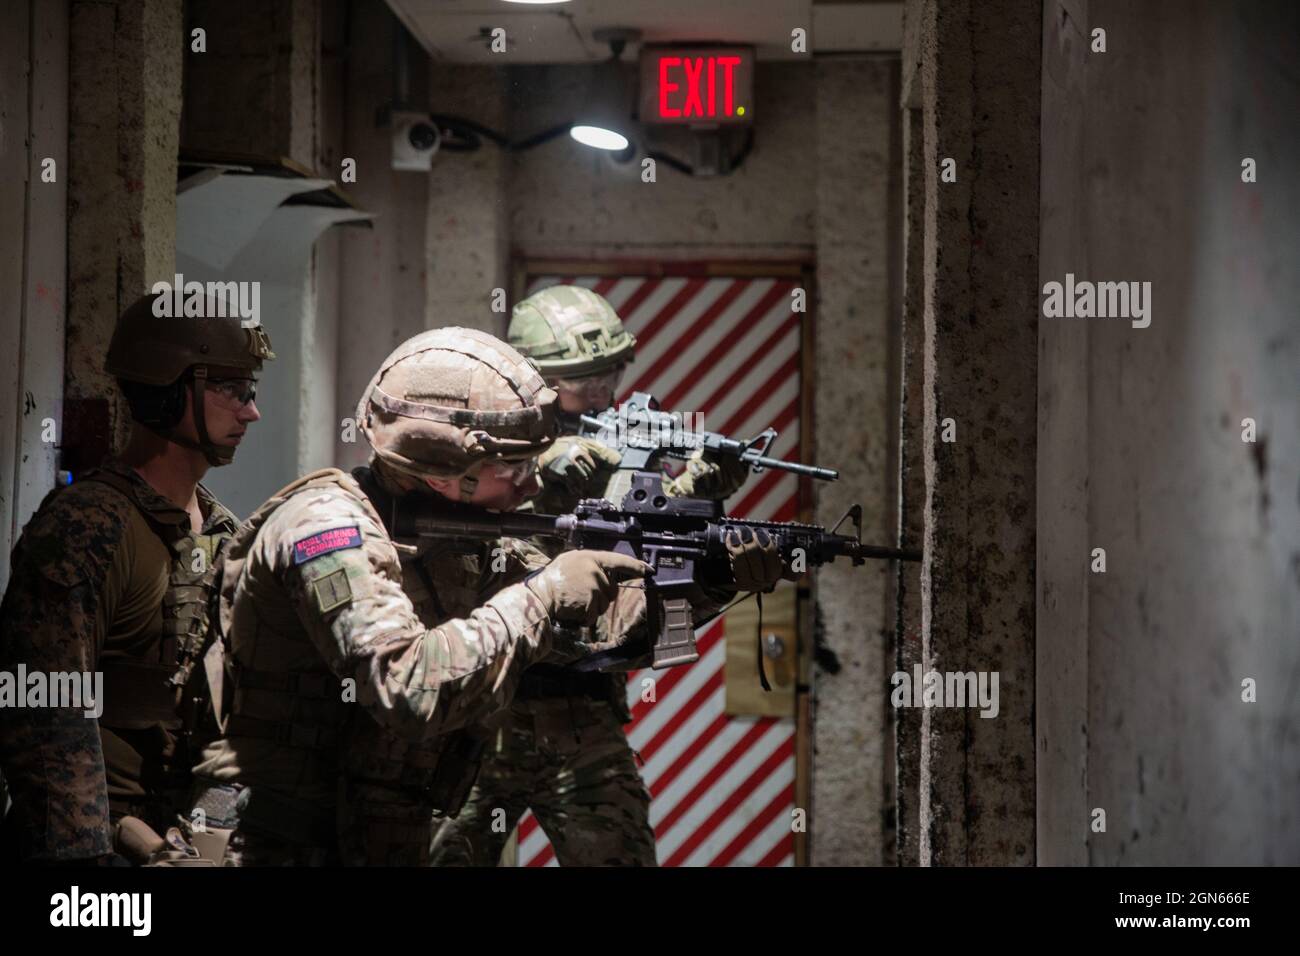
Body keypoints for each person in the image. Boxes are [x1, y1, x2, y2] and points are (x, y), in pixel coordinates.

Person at [188, 327, 651, 865]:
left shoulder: (455, 532)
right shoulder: (325, 528)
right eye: (514, 468)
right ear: (441, 476)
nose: (531, 487)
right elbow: (407, 689)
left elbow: (596, 635)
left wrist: (701, 579)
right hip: (277, 843)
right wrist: (542, 596)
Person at [428, 286, 760, 867]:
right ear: (536, 378)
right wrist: (543, 468)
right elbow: (473, 549)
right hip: (484, 708)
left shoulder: (611, 444)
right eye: (585, 380)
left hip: (581, 712)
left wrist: (689, 493)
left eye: (611, 374)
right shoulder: (479, 441)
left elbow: (626, 567)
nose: (602, 392)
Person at [0, 292, 273, 864]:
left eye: (250, 389)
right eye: (230, 388)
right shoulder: (87, 525)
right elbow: (45, 716)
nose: (251, 411)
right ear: (170, 388)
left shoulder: (220, 529)